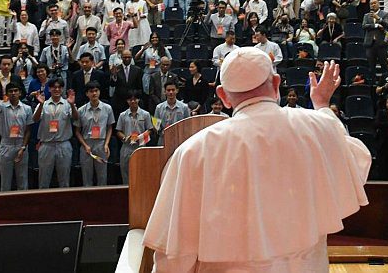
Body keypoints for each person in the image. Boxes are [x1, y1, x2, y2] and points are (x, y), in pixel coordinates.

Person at [143, 49, 371, 271]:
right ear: (276, 84)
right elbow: (356, 162)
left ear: (223, 96)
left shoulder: (194, 152)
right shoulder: (317, 127)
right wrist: (322, 104)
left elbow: (176, 253)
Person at [0, 77, 33, 191]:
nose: (13, 93)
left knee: (22, 179)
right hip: (6, 144)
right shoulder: (3, 106)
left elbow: (28, 129)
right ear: (7, 94)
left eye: (15, 91)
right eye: (10, 91)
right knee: (5, 181)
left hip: (20, 145)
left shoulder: (27, 109)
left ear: (20, 92)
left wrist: (23, 147)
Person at [33, 78, 78, 188]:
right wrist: (41, 105)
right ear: (49, 89)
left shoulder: (68, 103)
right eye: (54, 87)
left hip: (63, 144)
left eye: (59, 87)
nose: (56, 89)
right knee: (44, 179)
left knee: (64, 179)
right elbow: (35, 119)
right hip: (46, 145)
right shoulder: (43, 104)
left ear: (62, 89)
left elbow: (76, 118)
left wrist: (72, 104)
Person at [74, 81, 116, 187]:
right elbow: (77, 131)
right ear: (87, 94)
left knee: (102, 176)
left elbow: (110, 127)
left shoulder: (107, 108)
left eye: (96, 91)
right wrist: (85, 145)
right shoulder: (81, 110)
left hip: (101, 144)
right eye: (91, 91)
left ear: (99, 92)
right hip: (86, 144)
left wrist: (106, 144)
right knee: (86, 176)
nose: (94, 94)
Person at [115, 90, 152, 184]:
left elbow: (150, 129)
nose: (132, 101)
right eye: (130, 99)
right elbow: (118, 131)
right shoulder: (122, 115)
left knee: (142, 174)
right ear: (127, 101)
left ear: (138, 100)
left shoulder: (145, 114)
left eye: (135, 99)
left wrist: (141, 136)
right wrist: (124, 138)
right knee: (126, 174)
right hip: (126, 147)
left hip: (141, 147)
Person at [363, 0, 388, 76]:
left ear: (379, 4)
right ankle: (372, 84)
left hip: (381, 44)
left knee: (384, 66)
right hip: (370, 44)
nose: (373, 5)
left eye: (375, 3)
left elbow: (387, 24)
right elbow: (364, 26)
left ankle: (385, 83)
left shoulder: (385, 14)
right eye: (371, 4)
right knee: (371, 67)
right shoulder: (366, 15)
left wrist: (378, 18)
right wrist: (375, 25)